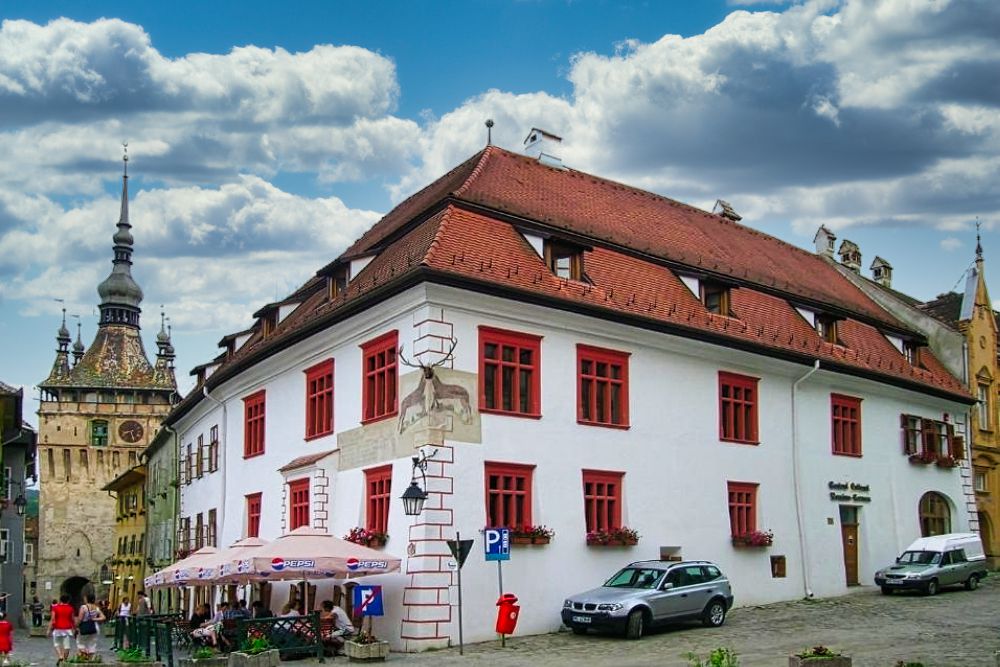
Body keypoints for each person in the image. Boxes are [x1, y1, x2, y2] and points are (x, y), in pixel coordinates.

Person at [76, 593, 106, 661]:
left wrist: (76, 627)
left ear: (87, 599)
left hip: (84, 627)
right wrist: (94, 619)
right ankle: (90, 660)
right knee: (92, 644)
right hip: (94, 627)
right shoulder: (96, 608)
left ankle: (83, 659)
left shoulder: (84, 607)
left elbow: (80, 619)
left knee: (81, 643)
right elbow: (103, 617)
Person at [48, 594, 76, 664]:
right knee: (67, 646)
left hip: (57, 628)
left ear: (60, 600)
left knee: (56, 643)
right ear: (68, 600)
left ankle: (60, 656)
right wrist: (75, 628)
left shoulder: (55, 608)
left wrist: (49, 629)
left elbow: (53, 619)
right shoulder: (70, 608)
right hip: (67, 629)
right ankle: (64, 660)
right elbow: (72, 619)